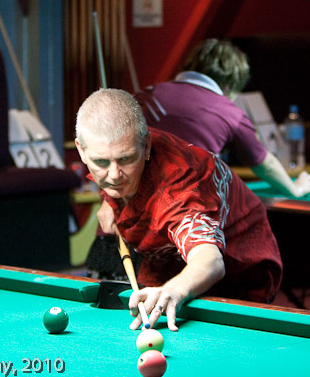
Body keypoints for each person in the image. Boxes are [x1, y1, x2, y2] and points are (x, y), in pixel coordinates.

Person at [75, 88, 282, 332]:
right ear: (82, 150)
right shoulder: (123, 146)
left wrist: (175, 289)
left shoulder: (177, 192)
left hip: (238, 267)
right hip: (168, 258)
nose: (114, 175)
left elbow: (210, 259)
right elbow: (114, 169)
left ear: (146, 146)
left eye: (126, 159)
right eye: (101, 162)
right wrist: (110, 201)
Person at [136, 38, 310, 199]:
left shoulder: (147, 94)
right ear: (229, 85)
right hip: (190, 209)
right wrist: (295, 189)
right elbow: (266, 165)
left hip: (136, 203)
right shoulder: (230, 113)